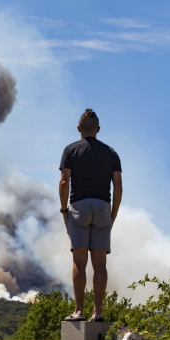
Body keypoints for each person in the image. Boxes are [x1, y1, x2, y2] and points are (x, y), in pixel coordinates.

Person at [59, 108, 122, 322]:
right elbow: (118, 185)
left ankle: (79, 311)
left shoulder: (70, 150)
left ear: (79, 129)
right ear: (98, 129)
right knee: (100, 264)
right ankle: (99, 312)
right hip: (103, 206)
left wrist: (64, 209)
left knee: (79, 261)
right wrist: (113, 213)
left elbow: (64, 181)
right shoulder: (111, 153)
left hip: (79, 207)